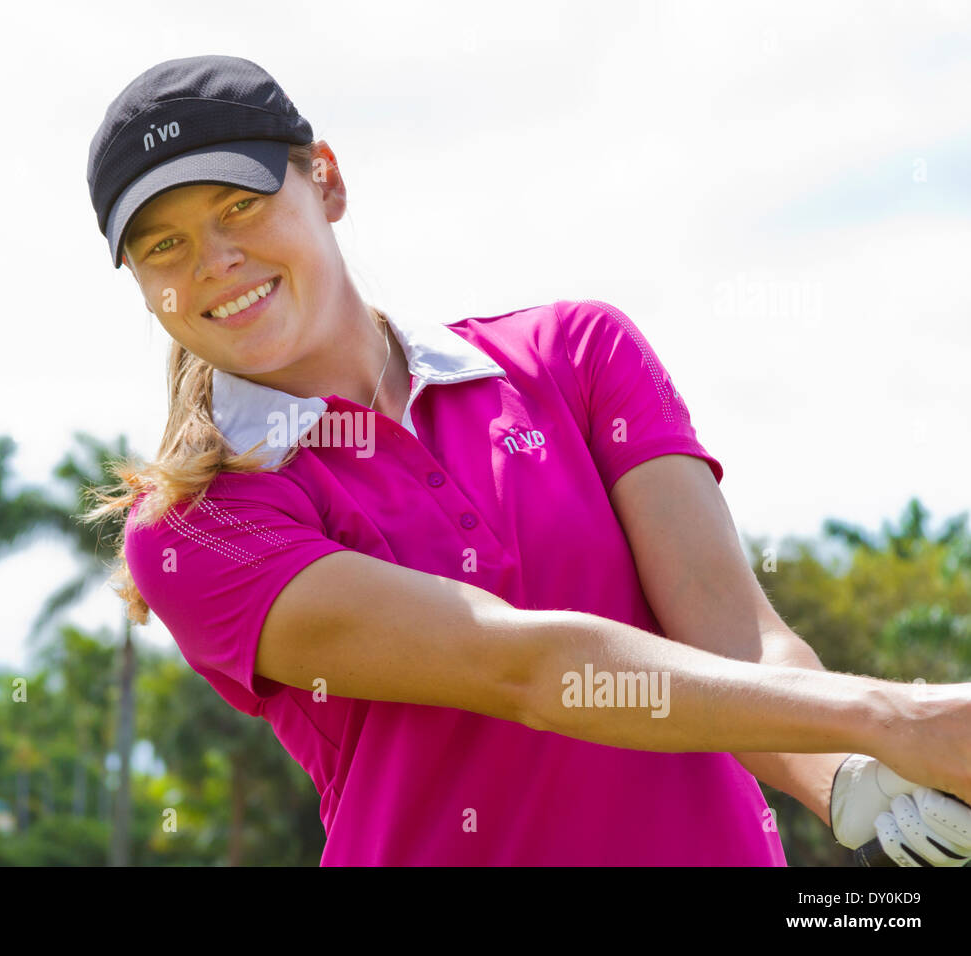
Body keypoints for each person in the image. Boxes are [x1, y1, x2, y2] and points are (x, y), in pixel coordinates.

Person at [82, 54, 971, 866]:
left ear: (327, 180)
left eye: (239, 204)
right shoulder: (198, 531)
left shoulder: (577, 355)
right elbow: (527, 670)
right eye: (164, 244)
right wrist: (897, 716)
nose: (216, 260)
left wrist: (854, 777)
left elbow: (733, 637)